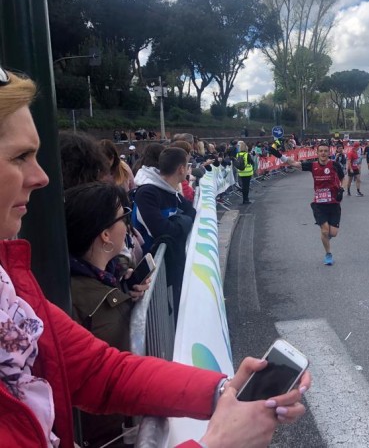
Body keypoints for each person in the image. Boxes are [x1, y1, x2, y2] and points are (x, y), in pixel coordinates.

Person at [0, 67, 310, 447]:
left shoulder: (10, 286)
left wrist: (222, 390)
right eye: (20, 157)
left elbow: (103, 372)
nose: (41, 177)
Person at [65, 182, 151, 447]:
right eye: (123, 217)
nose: (127, 225)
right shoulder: (76, 300)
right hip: (106, 435)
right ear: (105, 234)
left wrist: (127, 293)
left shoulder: (108, 277)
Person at [132, 147, 196, 318]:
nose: (188, 169)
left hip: (168, 265)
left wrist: (176, 224)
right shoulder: (147, 192)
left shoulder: (169, 189)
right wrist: (181, 224)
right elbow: (161, 230)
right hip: (150, 273)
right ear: (181, 169)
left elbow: (191, 211)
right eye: (187, 165)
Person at [282, 142, 345, 265]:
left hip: (333, 203)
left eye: (325, 151)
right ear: (317, 153)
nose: (323, 153)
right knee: (325, 230)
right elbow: (294, 163)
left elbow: (343, 178)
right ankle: (328, 254)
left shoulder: (335, 165)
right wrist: (280, 156)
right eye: (321, 151)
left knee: (333, 233)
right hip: (319, 204)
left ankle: (325, 236)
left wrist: (341, 189)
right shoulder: (312, 165)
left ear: (329, 152)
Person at [236, 140, 255, 205]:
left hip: (241, 172)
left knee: (243, 186)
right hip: (247, 172)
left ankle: (244, 199)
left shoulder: (238, 154)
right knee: (246, 186)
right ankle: (246, 199)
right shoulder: (247, 154)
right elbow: (252, 162)